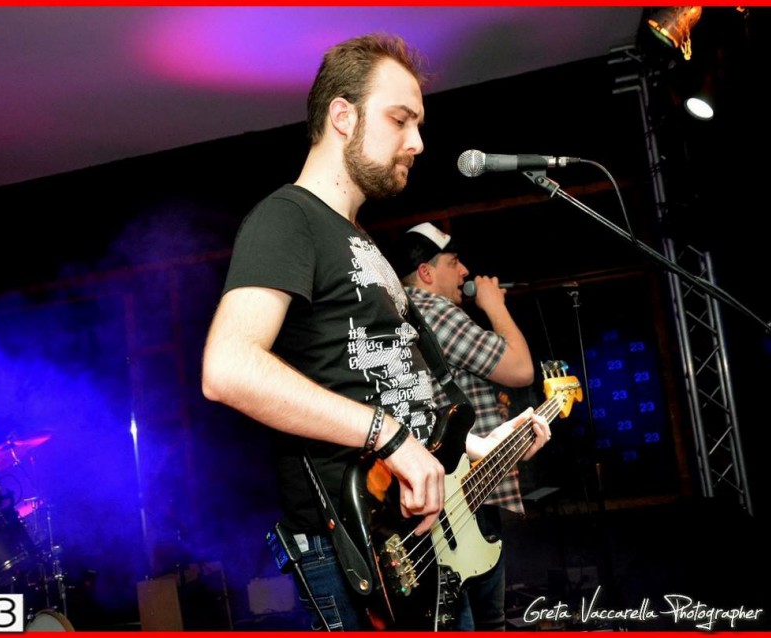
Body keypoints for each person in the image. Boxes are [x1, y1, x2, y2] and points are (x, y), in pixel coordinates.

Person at [201, 34, 549, 631]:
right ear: (343, 116)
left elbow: (392, 386)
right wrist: (389, 438)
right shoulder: (287, 217)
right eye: (399, 119)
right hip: (356, 546)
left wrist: (473, 448)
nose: (417, 141)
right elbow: (228, 368)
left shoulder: (361, 240)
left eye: (417, 124)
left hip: (416, 537)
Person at [390, 221, 544, 630]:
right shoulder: (431, 309)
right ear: (426, 272)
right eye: (454, 262)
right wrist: (494, 306)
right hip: (458, 498)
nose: (465, 272)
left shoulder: (409, 312)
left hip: (460, 492)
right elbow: (521, 369)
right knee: (484, 622)